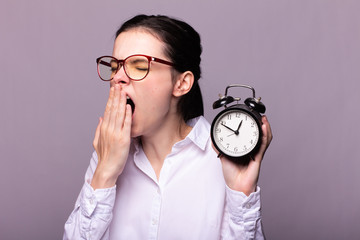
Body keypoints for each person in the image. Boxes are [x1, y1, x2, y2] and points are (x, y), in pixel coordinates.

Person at [63, 14, 272, 240]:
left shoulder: (221, 159)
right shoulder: (106, 155)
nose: (118, 78)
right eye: (115, 67)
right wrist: (103, 174)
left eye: (139, 66)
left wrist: (242, 194)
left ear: (181, 83)